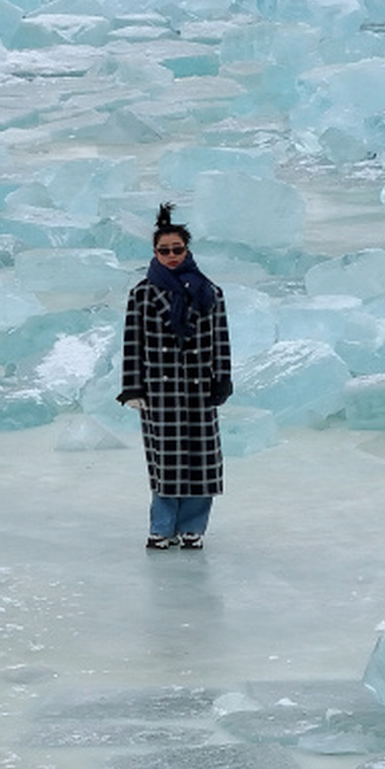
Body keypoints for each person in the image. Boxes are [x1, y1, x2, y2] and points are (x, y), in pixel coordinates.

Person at [117, 203, 231, 550]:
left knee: (202, 461)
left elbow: (220, 340)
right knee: (165, 462)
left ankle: (193, 527)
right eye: (163, 250)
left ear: (187, 250)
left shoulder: (210, 292)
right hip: (159, 393)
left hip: (198, 390)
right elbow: (132, 344)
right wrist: (133, 387)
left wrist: (222, 379)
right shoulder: (142, 294)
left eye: (177, 249)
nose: (171, 255)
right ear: (155, 252)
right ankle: (162, 527)